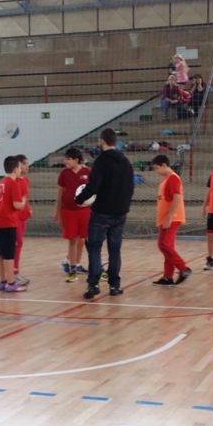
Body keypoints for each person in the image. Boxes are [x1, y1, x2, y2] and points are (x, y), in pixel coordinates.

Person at [75, 127, 134, 299]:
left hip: (101, 212)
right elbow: (130, 187)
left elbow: (93, 186)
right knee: (115, 250)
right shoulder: (125, 162)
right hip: (120, 213)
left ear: (102, 141)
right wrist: (124, 206)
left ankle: (93, 285)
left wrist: (79, 198)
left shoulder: (100, 161)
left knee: (94, 248)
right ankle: (115, 285)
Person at [0, 156, 27, 293]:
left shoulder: (1, 182)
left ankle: (3, 281)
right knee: (9, 254)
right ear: (16, 169)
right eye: (19, 167)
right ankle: (11, 283)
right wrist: (23, 201)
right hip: (6, 222)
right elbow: (17, 205)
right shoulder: (13, 183)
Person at [151, 154, 191, 286]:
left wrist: (169, 217)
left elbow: (177, 197)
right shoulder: (165, 179)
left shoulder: (173, 178)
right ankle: (168, 277)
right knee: (167, 246)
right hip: (165, 218)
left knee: (164, 245)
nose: (156, 171)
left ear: (164, 165)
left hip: (172, 218)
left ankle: (184, 269)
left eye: (157, 168)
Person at [54, 147, 92, 282]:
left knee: (86, 238)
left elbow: (93, 192)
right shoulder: (64, 174)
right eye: (65, 159)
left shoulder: (87, 172)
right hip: (69, 211)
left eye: (68, 159)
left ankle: (88, 265)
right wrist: (57, 213)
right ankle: (72, 269)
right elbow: (59, 195)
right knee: (72, 240)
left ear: (76, 160)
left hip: (85, 211)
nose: (65, 161)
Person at [13, 154, 32, 286]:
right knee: (16, 243)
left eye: (27, 163)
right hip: (15, 217)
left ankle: (16, 272)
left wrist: (28, 209)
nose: (27, 166)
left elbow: (25, 198)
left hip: (23, 216)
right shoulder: (13, 182)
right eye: (24, 164)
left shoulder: (25, 180)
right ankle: (13, 273)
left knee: (19, 244)